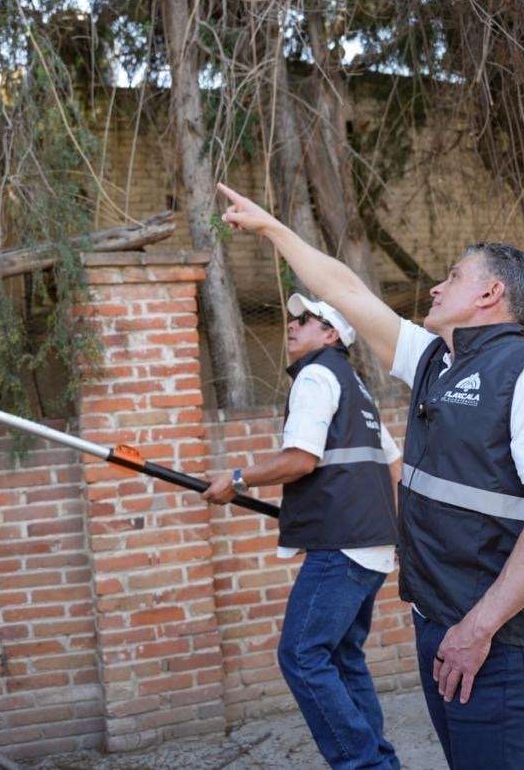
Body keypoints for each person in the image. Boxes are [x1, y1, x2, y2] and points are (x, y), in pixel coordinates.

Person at [216, 182, 524, 770]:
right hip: (436, 620)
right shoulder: (433, 361)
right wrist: (273, 230)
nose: (436, 286)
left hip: (489, 635)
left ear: (490, 293)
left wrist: (477, 629)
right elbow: (345, 290)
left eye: (454, 276)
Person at [203, 293, 403, 770]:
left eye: (307, 319)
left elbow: (300, 459)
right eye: (294, 319)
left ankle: (366, 765)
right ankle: (379, 761)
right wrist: (396, 532)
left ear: (331, 335)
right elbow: (394, 463)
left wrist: (237, 479)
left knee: (302, 655)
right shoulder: (355, 386)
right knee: (343, 657)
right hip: (369, 545)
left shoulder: (316, 377)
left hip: (342, 548)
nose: (292, 325)